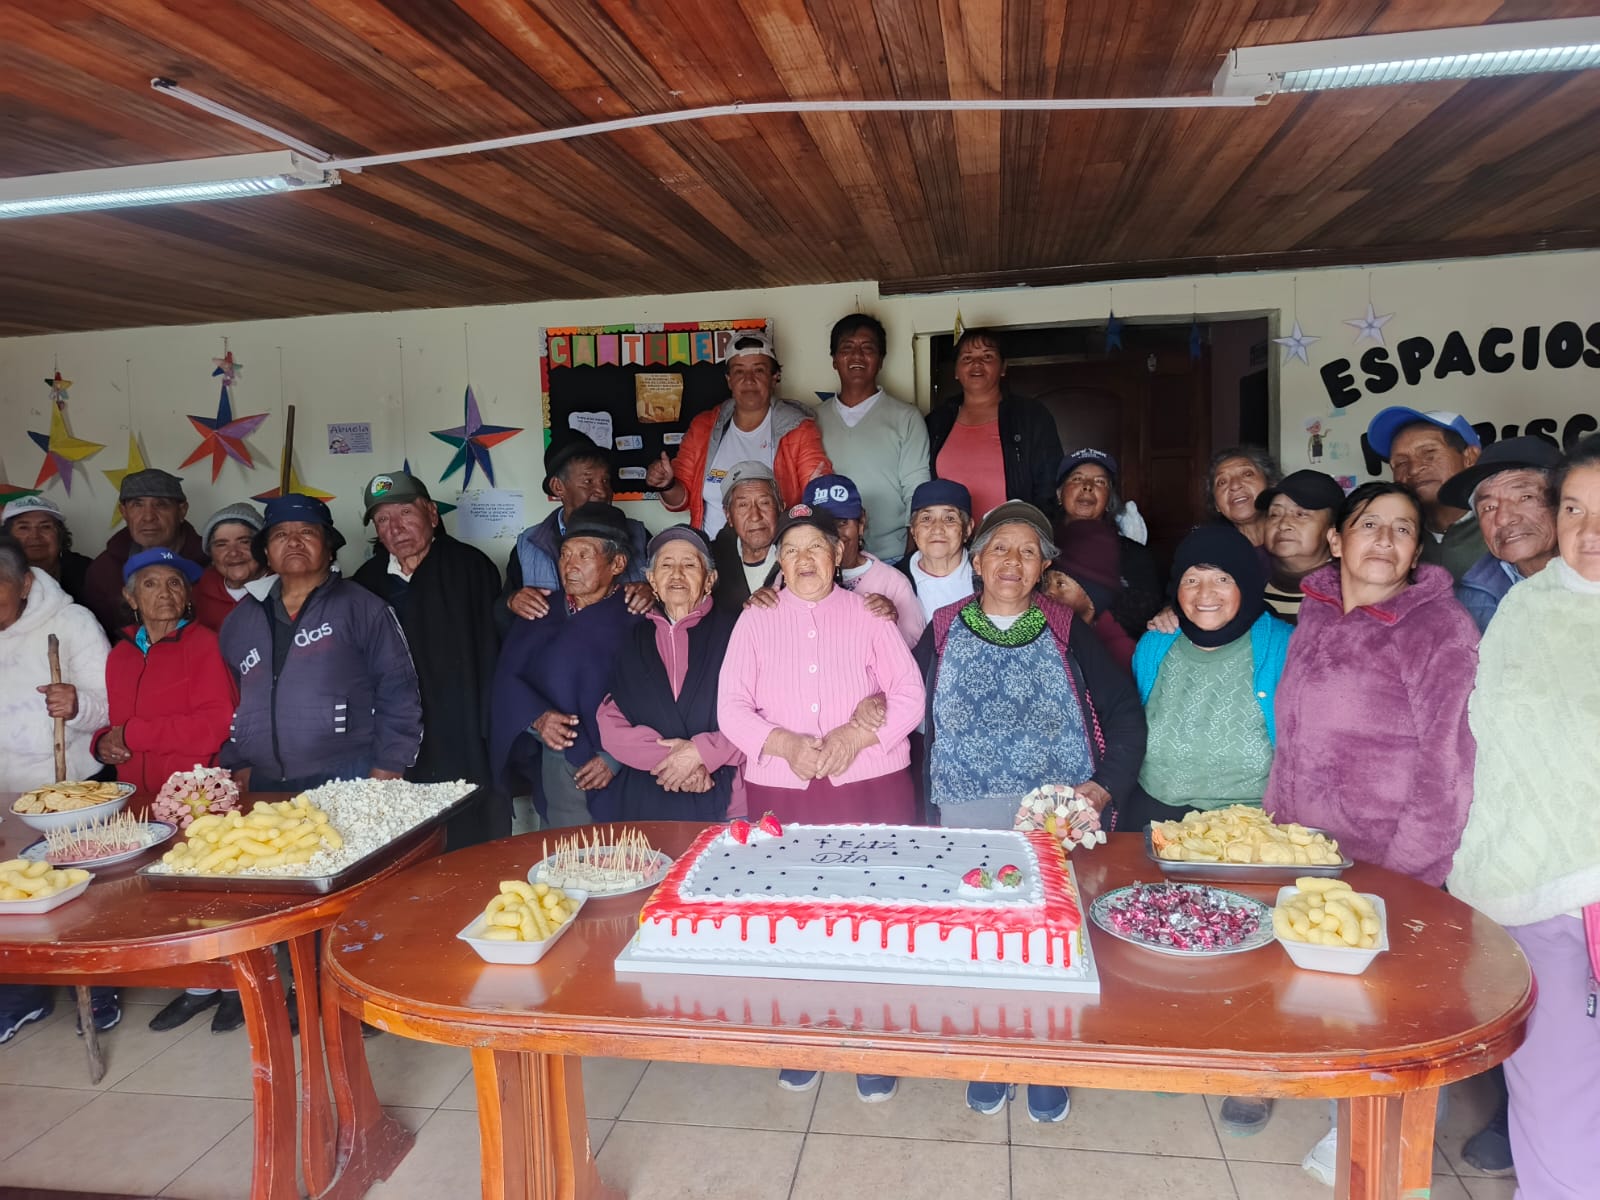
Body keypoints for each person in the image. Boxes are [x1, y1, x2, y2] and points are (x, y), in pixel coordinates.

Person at [1263, 481, 1479, 1185]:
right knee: (1332, 1000)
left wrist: (1407, 873)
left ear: (1417, 551)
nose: (1384, 540)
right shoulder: (1319, 609)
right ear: (1337, 540)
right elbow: (1294, 736)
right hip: (1312, 850)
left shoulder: (1439, 629)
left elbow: (1449, 766)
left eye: (1402, 529)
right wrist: (1278, 829)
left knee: (1391, 1011)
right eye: (1369, 525)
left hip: (1390, 856)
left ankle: (1379, 1144)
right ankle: (1348, 1116)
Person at [914, 500, 1146, 1125]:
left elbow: (1125, 715)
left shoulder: (1068, 630)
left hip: (1054, 821)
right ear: (976, 561)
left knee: (1053, 941)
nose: (1012, 562)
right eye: (1000, 548)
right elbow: (906, 707)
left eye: (1028, 551)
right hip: (966, 815)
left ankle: (1047, 1060)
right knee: (978, 939)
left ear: (1044, 566)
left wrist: (1102, 789)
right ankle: (989, 1056)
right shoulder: (941, 628)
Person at [718, 502, 924, 1105]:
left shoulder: (869, 613)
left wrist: (856, 739)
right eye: (791, 550)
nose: (804, 559)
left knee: (874, 909)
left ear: (838, 554)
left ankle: (873, 1046)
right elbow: (731, 707)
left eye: (815, 547)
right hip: (783, 786)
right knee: (794, 912)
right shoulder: (755, 620)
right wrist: (782, 744)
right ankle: (802, 1039)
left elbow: (909, 693)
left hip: (871, 782)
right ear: (777, 562)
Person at [1446, 433, 1600, 1200]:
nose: (1588, 531)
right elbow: (1491, 741)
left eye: (1524, 497)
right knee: (1554, 1089)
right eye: (1575, 509)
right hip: (1528, 882)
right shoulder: (1516, 605)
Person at [1128, 525, 1292, 1138]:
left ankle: (1250, 1073)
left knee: (1248, 951)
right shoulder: (1157, 642)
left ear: (1245, 584)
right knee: (1163, 938)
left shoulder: (1281, 643)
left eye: (1221, 579)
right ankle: (1173, 1047)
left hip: (1247, 822)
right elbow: (1134, 716)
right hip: (1160, 811)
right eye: (1192, 579)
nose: (1204, 593)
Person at [1436, 435, 1564, 1178]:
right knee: (1521, 977)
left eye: (1521, 495)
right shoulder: (1479, 590)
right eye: (1486, 504)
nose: (1502, 515)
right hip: (1507, 813)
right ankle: (1522, 1115)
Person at [93, 547, 240, 1035]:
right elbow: (115, 725)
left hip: (197, 795)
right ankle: (199, 986)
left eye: (175, 583)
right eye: (151, 583)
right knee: (169, 898)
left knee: (213, 895)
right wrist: (104, 742)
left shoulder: (204, 645)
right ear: (131, 596)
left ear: (188, 595)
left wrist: (134, 734)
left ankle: (236, 987)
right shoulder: (120, 655)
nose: (164, 593)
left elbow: (214, 726)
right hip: (141, 798)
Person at [218, 494, 422, 792]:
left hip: (348, 774)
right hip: (262, 779)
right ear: (267, 553)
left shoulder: (363, 608)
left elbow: (398, 690)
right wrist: (237, 763)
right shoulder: (239, 621)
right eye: (280, 535)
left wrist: (389, 766)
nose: (294, 542)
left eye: (307, 532)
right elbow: (228, 699)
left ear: (329, 549)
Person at [0, 533, 115, 1042]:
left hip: (65, 788)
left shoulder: (70, 623)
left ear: (25, 583)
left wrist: (78, 704)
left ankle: (97, 986)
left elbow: (113, 705)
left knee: (78, 896)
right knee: (11, 898)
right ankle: (22, 995)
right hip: (4, 791)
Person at [353, 471, 507, 844]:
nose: (395, 528)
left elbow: (492, 656)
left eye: (405, 513)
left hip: (465, 733)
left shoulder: (470, 568)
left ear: (432, 514)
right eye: (383, 519)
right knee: (405, 843)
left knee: (470, 841)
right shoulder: (366, 583)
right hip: (396, 739)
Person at [490, 502, 642, 827]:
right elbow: (507, 679)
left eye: (584, 555)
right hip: (560, 765)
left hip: (630, 766)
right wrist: (537, 719)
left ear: (617, 563)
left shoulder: (636, 615)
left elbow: (656, 696)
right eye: (565, 554)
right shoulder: (541, 610)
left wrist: (615, 757)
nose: (570, 565)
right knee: (564, 850)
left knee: (629, 851)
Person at [597, 526, 744, 821]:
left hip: (729, 801)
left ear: (710, 579)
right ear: (652, 579)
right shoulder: (633, 639)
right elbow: (610, 723)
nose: (676, 574)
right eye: (666, 565)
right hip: (650, 798)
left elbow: (765, 715)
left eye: (689, 564)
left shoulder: (740, 631)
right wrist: (680, 762)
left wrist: (703, 753)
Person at [644, 330, 831, 535]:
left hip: (776, 551)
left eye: (759, 370)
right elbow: (681, 500)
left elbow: (819, 498)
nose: (749, 380)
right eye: (739, 371)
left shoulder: (798, 428)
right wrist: (667, 484)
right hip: (711, 551)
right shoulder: (704, 427)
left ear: (774, 377)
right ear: (729, 380)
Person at [500, 431, 650, 633]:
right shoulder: (529, 544)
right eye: (588, 482)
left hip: (623, 647)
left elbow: (674, 595)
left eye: (605, 481)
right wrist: (512, 601)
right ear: (558, 487)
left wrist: (653, 593)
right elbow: (502, 612)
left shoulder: (640, 536)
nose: (603, 491)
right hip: (557, 649)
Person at [811, 314, 930, 562]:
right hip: (827, 557)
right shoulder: (811, 420)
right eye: (847, 348)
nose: (857, 356)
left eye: (867, 348)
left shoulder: (906, 418)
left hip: (891, 556)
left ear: (881, 360)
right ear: (834, 360)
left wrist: (911, 556)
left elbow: (916, 490)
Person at [926, 328, 1062, 518]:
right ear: (956, 370)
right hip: (948, 535)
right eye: (967, 358)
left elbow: (1048, 485)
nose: (976, 363)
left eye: (987, 356)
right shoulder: (937, 421)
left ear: (1003, 367)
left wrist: (1033, 529)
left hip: (1012, 534)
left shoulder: (1030, 415)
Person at [1439, 435, 1562, 634]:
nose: (1503, 518)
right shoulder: (1466, 605)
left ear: (1565, 502)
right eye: (1488, 507)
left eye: (1525, 497)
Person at [799, 474, 925, 648]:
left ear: (861, 522)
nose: (834, 534)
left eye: (842, 523)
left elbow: (914, 648)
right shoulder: (793, 576)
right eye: (822, 525)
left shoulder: (892, 583)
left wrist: (890, 624)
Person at [1365, 407, 1485, 580]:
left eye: (1429, 454)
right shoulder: (1390, 537)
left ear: (1470, 457)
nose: (1413, 470)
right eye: (1401, 463)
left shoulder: (1502, 524)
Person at [1053, 449, 1162, 638]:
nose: (1088, 486)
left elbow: (1147, 615)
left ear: (1109, 499)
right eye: (1077, 479)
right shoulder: (1041, 547)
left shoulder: (1133, 554)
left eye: (1099, 482)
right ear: (1059, 494)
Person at [83, 468, 204, 635]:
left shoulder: (213, 563)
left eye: (161, 504)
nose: (148, 516)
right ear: (124, 512)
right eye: (137, 505)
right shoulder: (103, 571)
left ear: (182, 511)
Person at [1255, 469, 1344, 625]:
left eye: (1301, 514)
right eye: (1274, 514)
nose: (1283, 525)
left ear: (1333, 529)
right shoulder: (1248, 577)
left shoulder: (1349, 590)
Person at [1048, 519, 1137, 673]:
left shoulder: (1120, 651)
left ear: (1092, 601)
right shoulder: (1045, 635)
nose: (1048, 592)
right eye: (1045, 583)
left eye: (1061, 584)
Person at [709, 461, 782, 614]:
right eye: (743, 505)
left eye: (764, 503)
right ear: (728, 515)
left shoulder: (799, 556)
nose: (755, 516)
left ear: (780, 507)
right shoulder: (710, 561)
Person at [899, 479, 975, 622]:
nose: (937, 529)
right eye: (926, 518)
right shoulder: (894, 579)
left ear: (968, 529)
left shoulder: (987, 573)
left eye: (949, 518)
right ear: (913, 530)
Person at [2, 495, 91, 606]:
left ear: (59, 534)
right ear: (7, 536)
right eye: (24, 527)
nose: (35, 536)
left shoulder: (88, 571)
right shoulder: (3, 573)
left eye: (45, 527)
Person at [191, 502, 266, 631]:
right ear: (211, 555)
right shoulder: (198, 592)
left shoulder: (283, 590)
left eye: (244, 542)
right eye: (221, 544)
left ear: (263, 548)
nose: (234, 552)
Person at [1205, 446, 1279, 550]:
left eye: (1247, 474)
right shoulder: (1209, 550)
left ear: (1271, 485)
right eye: (1222, 482)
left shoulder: (1298, 540)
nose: (1235, 486)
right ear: (1216, 504)